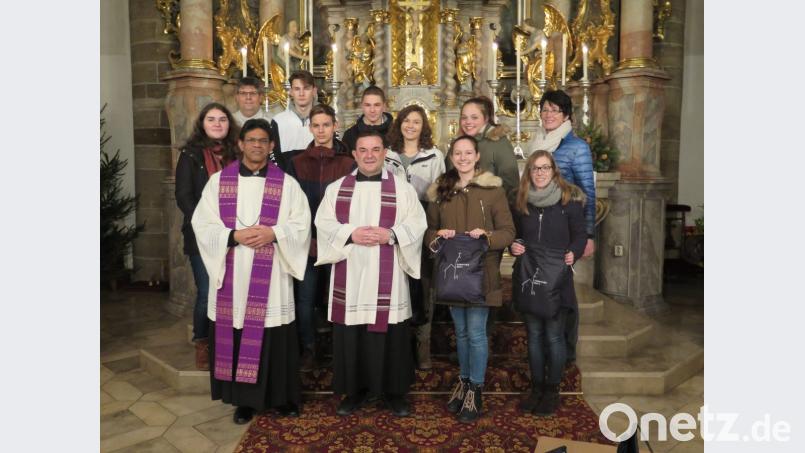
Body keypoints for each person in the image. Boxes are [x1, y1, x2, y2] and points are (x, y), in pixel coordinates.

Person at [191, 118, 312, 424]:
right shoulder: (219, 182)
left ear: (272, 146)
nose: (257, 145)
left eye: (263, 141)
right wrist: (233, 236)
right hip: (234, 270)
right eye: (251, 140)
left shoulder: (287, 184)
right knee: (238, 330)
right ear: (241, 144)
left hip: (271, 277)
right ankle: (244, 401)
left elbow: (301, 224)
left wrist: (275, 234)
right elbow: (202, 224)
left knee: (276, 335)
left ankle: (283, 398)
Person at [314, 131, 427, 418]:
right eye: (362, 150)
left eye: (375, 149)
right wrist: (350, 233)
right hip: (350, 272)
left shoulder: (402, 189)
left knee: (391, 332)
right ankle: (355, 391)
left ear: (384, 152)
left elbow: (417, 224)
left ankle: (394, 392)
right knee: (352, 332)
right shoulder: (337, 188)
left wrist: (390, 234)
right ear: (353, 154)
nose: (369, 155)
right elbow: (323, 223)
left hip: (387, 273)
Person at [424, 135, 515, 423]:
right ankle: (463, 382)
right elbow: (428, 231)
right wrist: (438, 236)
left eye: (468, 153)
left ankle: (476, 388)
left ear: (477, 156)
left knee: (476, 333)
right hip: (453, 273)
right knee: (461, 333)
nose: (462, 158)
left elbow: (508, 233)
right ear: (451, 157)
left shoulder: (493, 192)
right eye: (457, 153)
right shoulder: (442, 191)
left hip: (481, 274)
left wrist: (487, 236)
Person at [510, 150, 587, 416]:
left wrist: (573, 253)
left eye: (545, 168)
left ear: (554, 171)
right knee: (533, 336)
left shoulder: (570, 201)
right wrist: (515, 245)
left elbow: (580, 236)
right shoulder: (521, 202)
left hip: (557, 278)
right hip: (530, 275)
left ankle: (552, 390)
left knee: (554, 335)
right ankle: (537, 388)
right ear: (528, 173)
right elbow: (516, 235)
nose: (540, 173)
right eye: (535, 168)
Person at [526, 89, 596, 363]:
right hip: (539, 226)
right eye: (544, 109)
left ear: (566, 115)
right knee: (542, 284)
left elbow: (587, 189)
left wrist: (588, 234)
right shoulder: (537, 142)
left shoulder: (576, 147)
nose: (548, 115)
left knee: (564, 289)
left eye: (555, 110)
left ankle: (566, 349)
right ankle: (545, 346)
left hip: (565, 227)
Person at [285, 104, 355, 371]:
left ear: (335, 126)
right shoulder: (296, 163)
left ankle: (342, 351)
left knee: (338, 297)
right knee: (305, 299)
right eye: (317, 125)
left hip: (339, 242)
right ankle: (309, 349)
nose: (322, 130)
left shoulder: (348, 163)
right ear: (310, 127)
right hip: (307, 242)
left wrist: (340, 237)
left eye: (327, 124)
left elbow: (351, 205)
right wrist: (308, 238)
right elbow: (292, 205)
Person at [175, 102, 239, 371]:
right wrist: (207, 225)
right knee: (207, 291)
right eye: (211, 119)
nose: (217, 124)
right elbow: (184, 196)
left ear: (229, 124)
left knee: (232, 290)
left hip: (235, 234)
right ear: (202, 123)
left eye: (222, 119)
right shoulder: (190, 156)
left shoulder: (238, 153)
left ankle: (228, 341)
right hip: (202, 236)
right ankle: (203, 343)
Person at [384, 104, 445, 370]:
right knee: (395, 284)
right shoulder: (387, 155)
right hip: (393, 227)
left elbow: (440, 196)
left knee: (422, 286)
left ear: (424, 126)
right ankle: (396, 347)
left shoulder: (434, 156)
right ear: (399, 124)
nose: (410, 126)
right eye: (406, 120)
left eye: (416, 122)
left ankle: (423, 346)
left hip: (422, 226)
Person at [450, 96, 519, 205]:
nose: (468, 122)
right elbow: (448, 176)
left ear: (486, 118)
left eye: (474, 117)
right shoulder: (458, 143)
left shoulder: (498, 143)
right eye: (464, 117)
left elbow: (511, 184)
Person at [269, 70, 315, 157]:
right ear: (290, 91)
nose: (301, 94)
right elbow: (272, 155)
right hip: (286, 170)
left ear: (314, 91)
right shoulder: (278, 121)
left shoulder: (327, 119)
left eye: (306, 88)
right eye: (297, 89)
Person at [341, 86, 393, 152]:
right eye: (368, 105)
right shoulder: (350, 135)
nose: (372, 110)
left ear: (384, 106)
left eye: (377, 105)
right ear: (362, 106)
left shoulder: (396, 133)